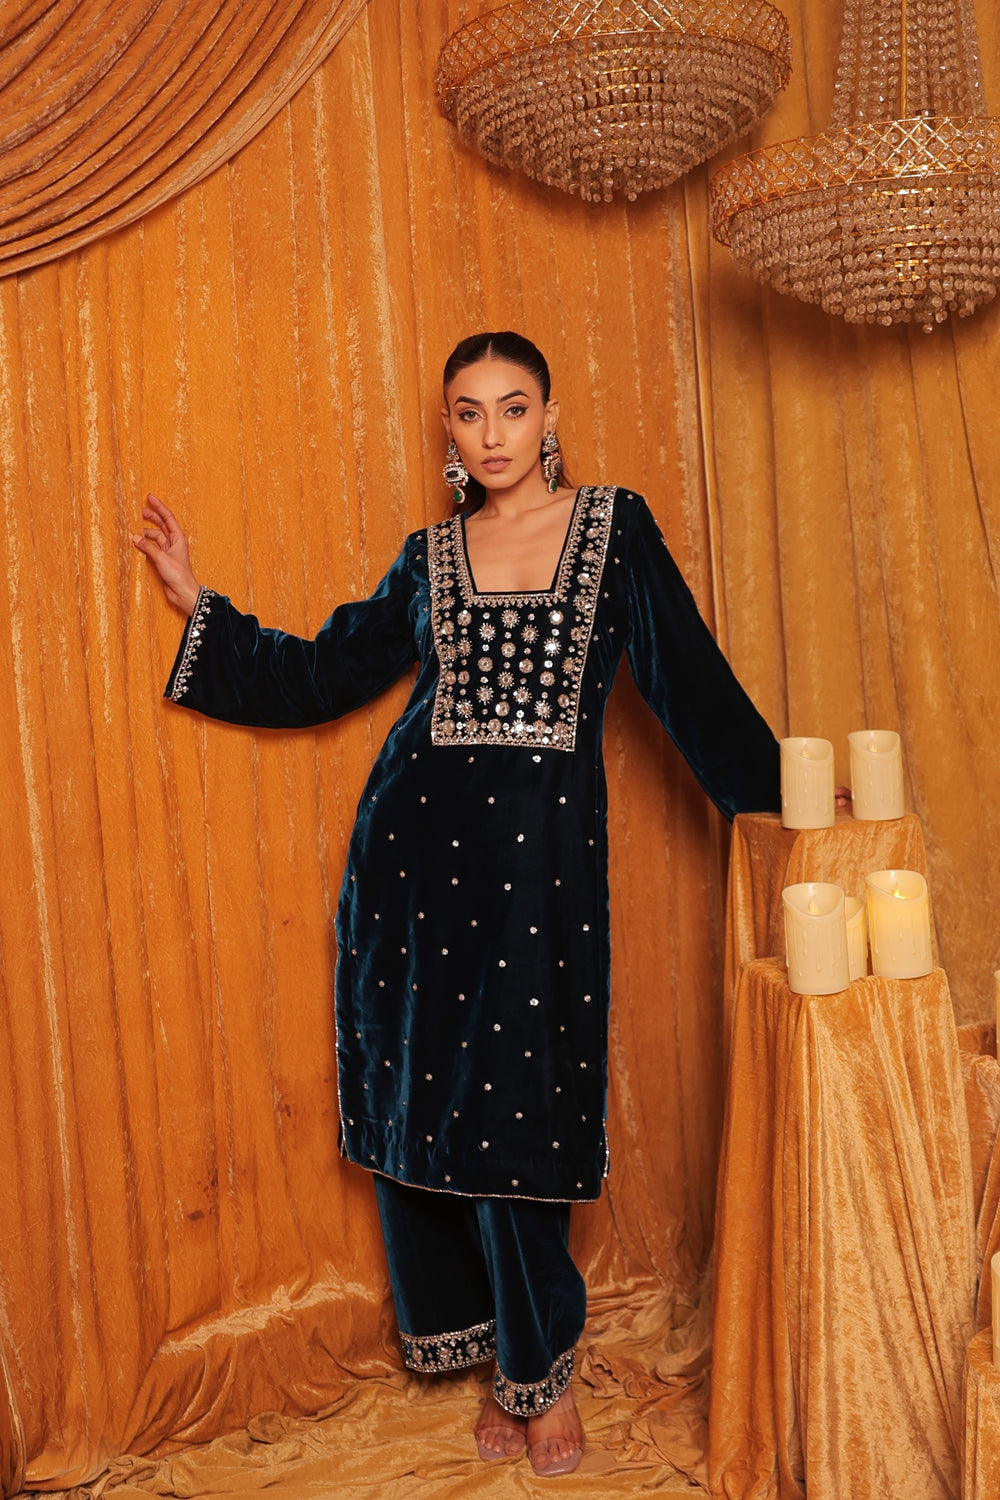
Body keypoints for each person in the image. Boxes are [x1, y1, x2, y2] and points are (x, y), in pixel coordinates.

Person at [133, 330, 781, 1478]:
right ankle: (480, 1352)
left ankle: (543, 1370)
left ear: (549, 417)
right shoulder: (429, 557)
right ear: (448, 429)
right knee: (427, 1111)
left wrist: (785, 802)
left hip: (541, 874)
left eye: (512, 408)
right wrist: (203, 608)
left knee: (522, 1111)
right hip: (414, 866)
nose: (491, 434)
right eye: (469, 413)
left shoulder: (612, 528)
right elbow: (327, 673)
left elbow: (689, 679)